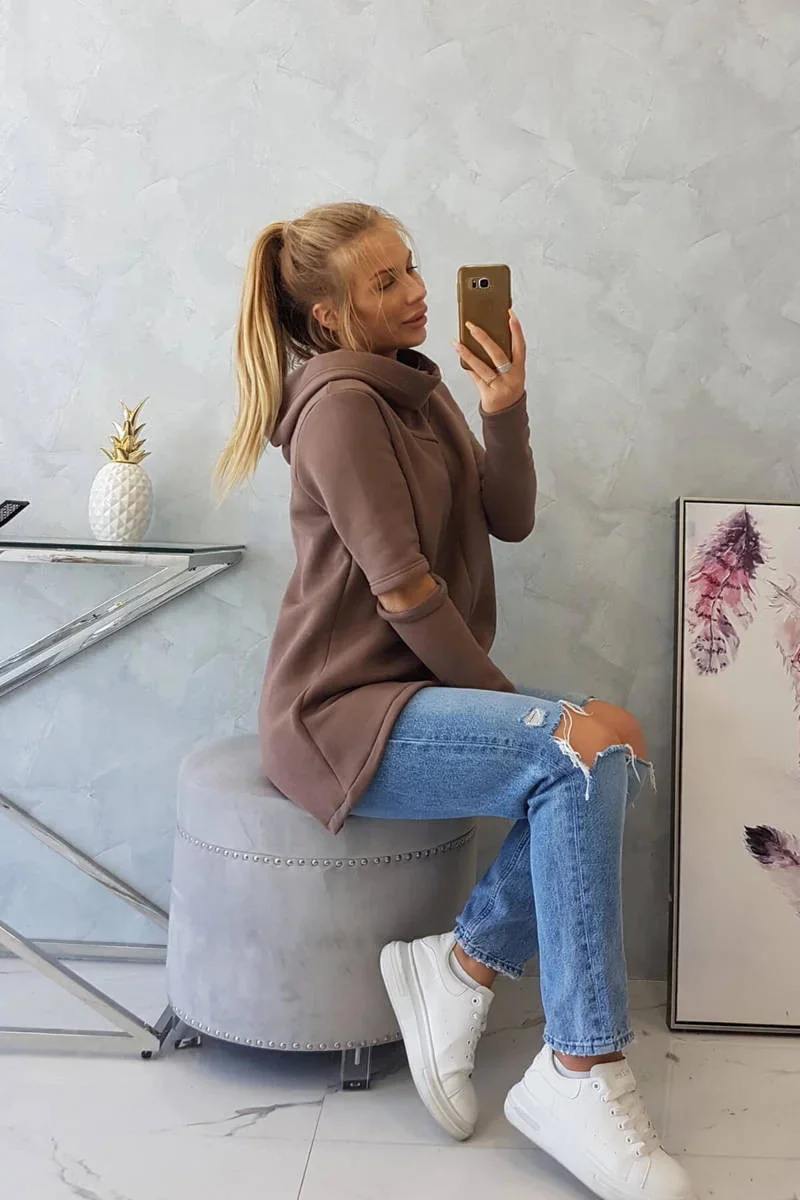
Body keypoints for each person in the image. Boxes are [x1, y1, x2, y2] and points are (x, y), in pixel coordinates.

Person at [216, 202, 696, 1200]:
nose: (418, 291)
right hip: (339, 713)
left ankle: (461, 968)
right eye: (386, 281)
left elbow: (508, 519)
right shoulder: (340, 407)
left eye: (412, 268)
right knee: (574, 747)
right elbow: (402, 593)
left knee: (611, 740)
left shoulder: (416, 391)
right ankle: (581, 1069)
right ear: (329, 317)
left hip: (411, 694)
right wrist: (529, 719)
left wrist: (503, 408)